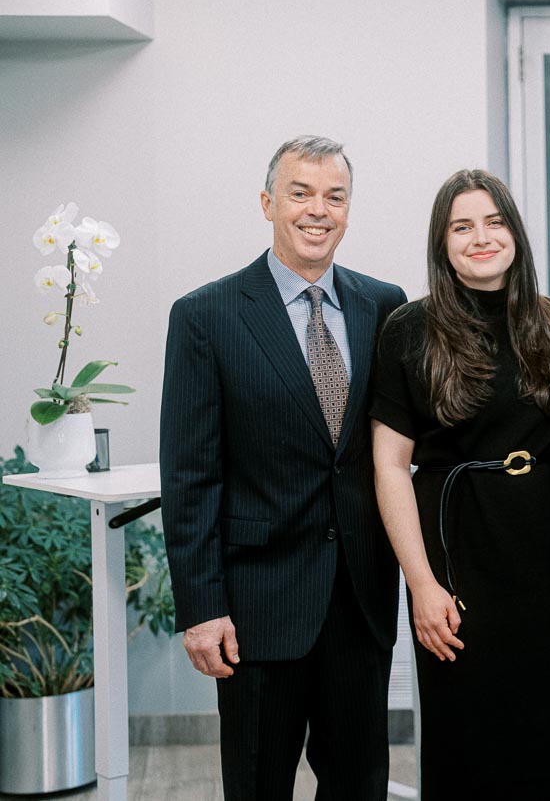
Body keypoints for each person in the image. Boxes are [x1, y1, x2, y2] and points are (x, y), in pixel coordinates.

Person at [161, 135, 407, 800]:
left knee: (360, 785)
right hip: (257, 608)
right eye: (300, 193)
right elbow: (190, 478)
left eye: (335, 196)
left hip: (359, 602)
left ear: (350, 209)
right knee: (258, 783)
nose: (317, 210)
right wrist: (203, 608)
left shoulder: (385, 307)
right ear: (269, 202)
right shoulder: (206, 317)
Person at [370, 169, 550, 799]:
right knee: (469, 733)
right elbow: (390, 466)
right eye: (462, 226)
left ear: (516, 234)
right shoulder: (408, 329)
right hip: (457, 554)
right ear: (441, 244)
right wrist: (420, 585)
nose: (481, 238)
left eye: (495, 222)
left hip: (548, 559)